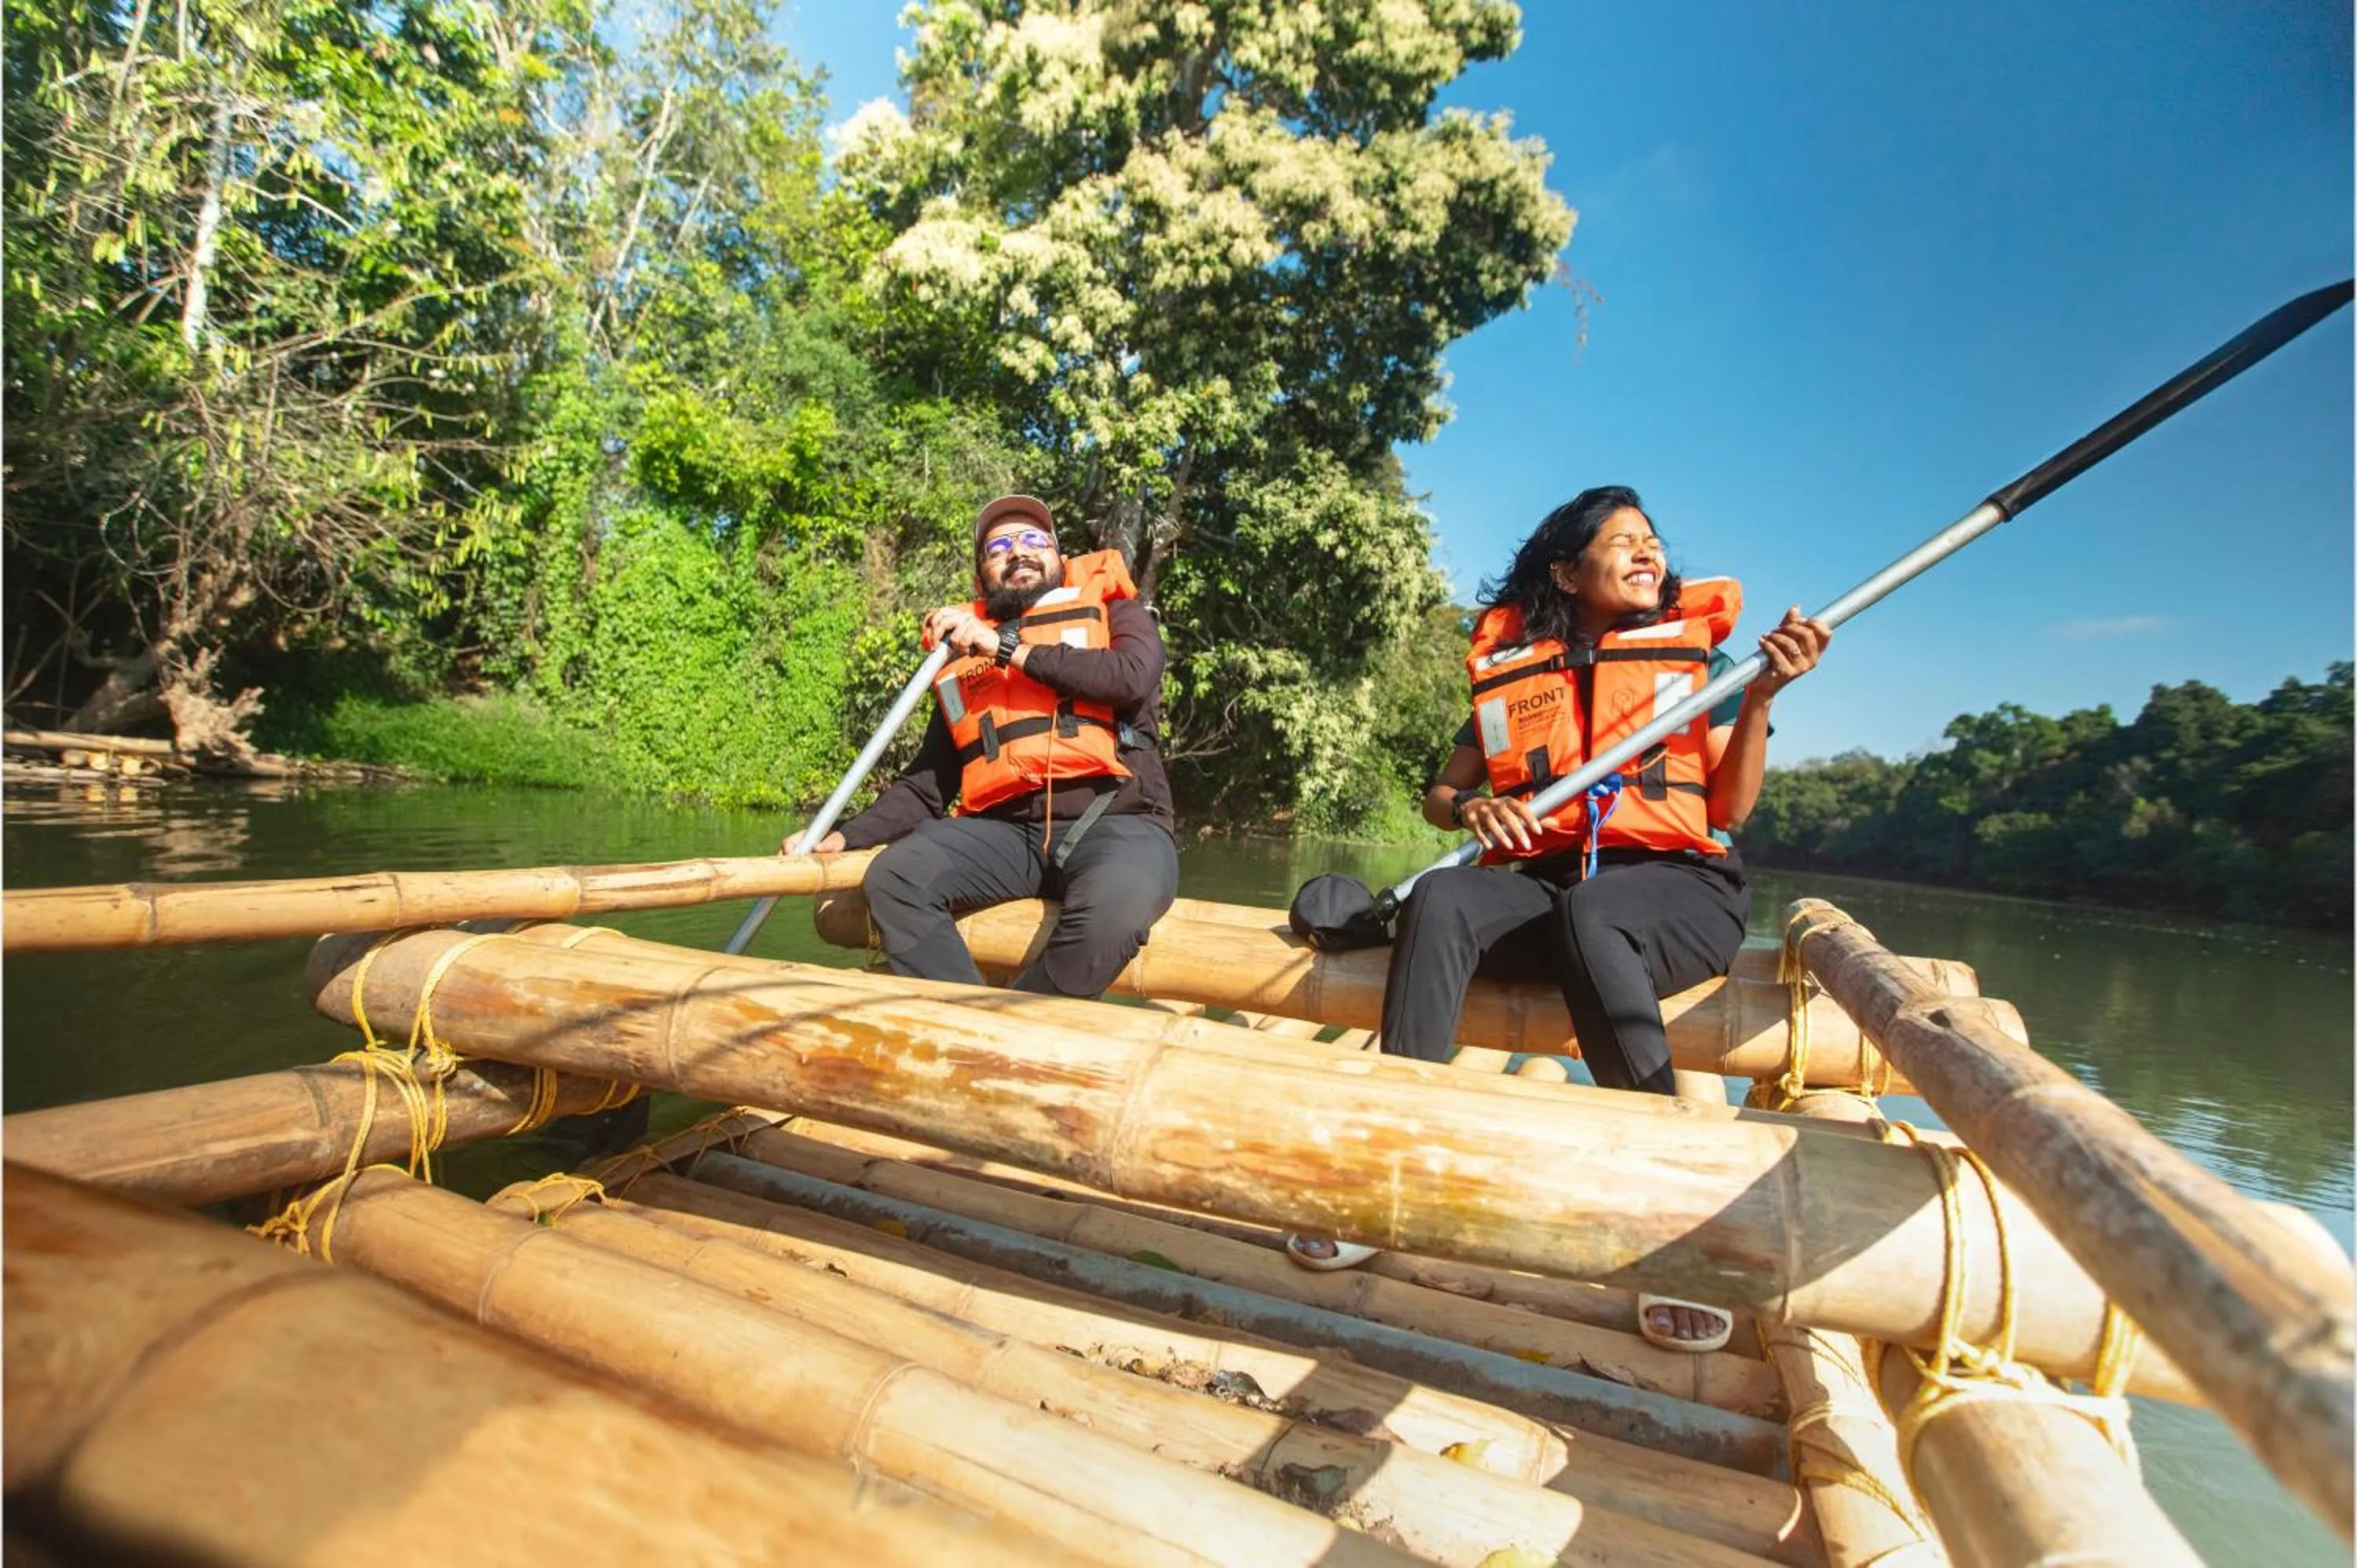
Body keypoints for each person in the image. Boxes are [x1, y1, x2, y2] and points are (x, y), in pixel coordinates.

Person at [1288, 485, 1831, 1355]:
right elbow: (1439, 791)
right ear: (1567, 570)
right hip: (1551, 885)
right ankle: (1385, 1168)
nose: (1648, 551)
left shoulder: (1702, 673)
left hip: (1676, 893)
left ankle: (1668, 1218)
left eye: (1653, 540)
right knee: (1443, 896)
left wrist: (1763, 695)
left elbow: (1729, 806)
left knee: (1598, 909)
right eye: (1623, 541)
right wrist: (1471, 808)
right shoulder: (1519, 669)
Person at [797, 494, 1180, 998]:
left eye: (1032, 541)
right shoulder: (961, 653)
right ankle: (969, 1019)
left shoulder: (1115, 611)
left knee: (1114, 914)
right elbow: (928, 784)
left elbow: (1131, 677)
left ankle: (1018, 1025)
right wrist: (845, 835)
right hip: (1005, 836)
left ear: (1058, 558)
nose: (1017, 553)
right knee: (895, 877)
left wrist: (1004, 648)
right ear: (982, 578)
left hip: (1119, 824)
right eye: (998, 548)